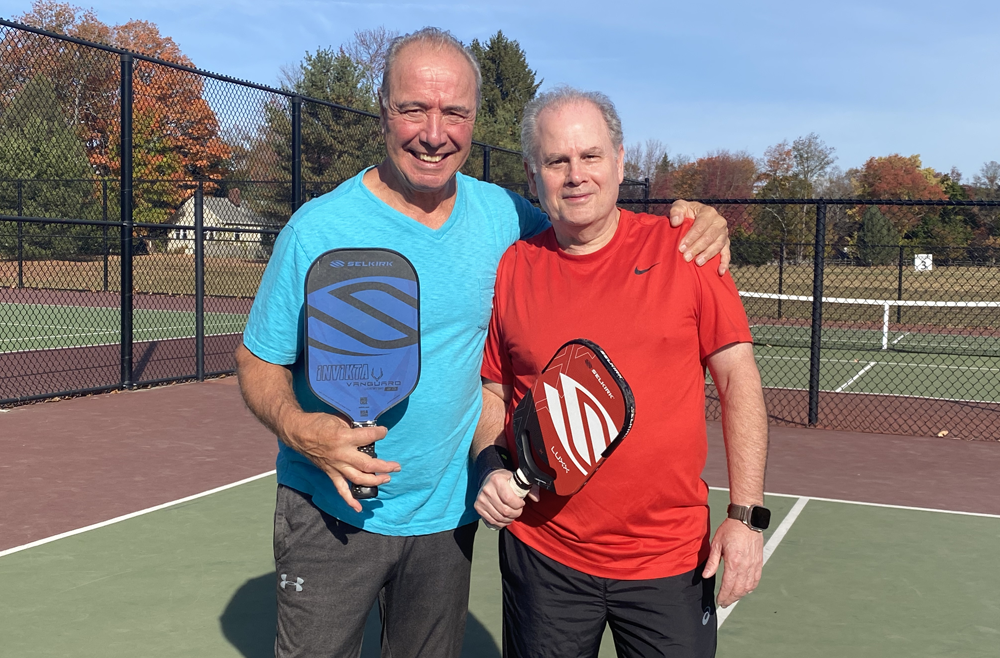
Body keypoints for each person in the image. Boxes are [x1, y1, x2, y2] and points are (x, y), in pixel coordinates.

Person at [235, 28, 733, 658]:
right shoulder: (318, 229)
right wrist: (301, 429)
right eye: (414, 108)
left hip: (449, 517)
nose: (434, 132)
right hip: (331, 513)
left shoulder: (506, 218)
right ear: (382, 111)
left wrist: (690, 219)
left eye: (455, 113)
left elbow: (588, 221)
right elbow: (258, 359)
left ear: (473, 119)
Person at [472, 87, 769, 658]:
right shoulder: (515, 266)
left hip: (670, 563)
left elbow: (739, 381)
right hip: (544, 558)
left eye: (591, 156)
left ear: (620, 161)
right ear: (535, 175)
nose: (576, 174)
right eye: (557, 160)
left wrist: (746, 517)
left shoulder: (688, 249)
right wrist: (490, 465)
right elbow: (495, 391)